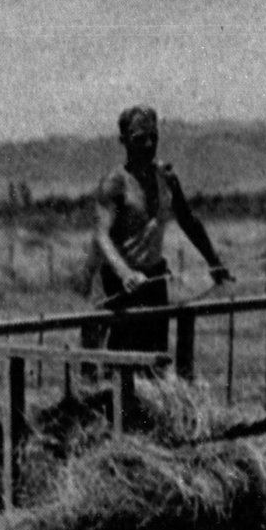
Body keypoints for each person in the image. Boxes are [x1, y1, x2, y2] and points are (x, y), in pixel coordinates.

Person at [87, 105, 231, 352]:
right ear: (123, 141)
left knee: (155, 361)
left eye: (154, 137)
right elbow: (102, 236)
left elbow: (188, 221)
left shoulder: (167, 179)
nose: (148, 145)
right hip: (120, 287)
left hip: (154, 281)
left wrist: (214, 261)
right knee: (120, 363)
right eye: (139, 139)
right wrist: (125, 273)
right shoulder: (115, 183)